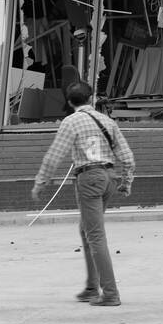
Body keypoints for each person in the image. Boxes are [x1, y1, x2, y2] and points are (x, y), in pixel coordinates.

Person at [31, 81, 136, 306]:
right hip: (108, 178)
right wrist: (126, 183)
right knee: (86, 229)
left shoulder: (70, 122)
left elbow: (54, 156)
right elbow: (127, 157)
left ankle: (110, 293)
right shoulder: (108, 121)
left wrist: (41, 183)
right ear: (92, 98)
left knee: (95, 235)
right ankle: (91, 287)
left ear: (69, 102)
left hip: (88, 178)